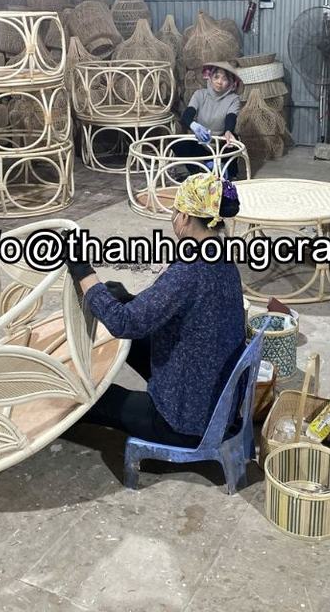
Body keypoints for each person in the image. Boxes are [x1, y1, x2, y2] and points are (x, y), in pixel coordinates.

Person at [65, 172, 245, 447]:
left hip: (188, 420)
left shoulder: (190, 270)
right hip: (212, 392)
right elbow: (174, 306)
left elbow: (123, 323)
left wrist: (83, 271)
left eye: (175, 211)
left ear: (185, 217)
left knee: (89, 400)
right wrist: (128, 298)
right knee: (127, 338)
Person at [173, 62, 243, 180]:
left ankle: (226, 172)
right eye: (216, 77)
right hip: (202, 142)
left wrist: (228, 131)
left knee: (233, 142)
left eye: (225, 79)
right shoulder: (200, 94)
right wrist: (194, 126)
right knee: (178, 143)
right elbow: (187, 115)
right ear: (209, 77)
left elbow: (231, 117)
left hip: (220, 144)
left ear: (231, 83)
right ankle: (198, 172)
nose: (219, 82)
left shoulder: (233, 99)